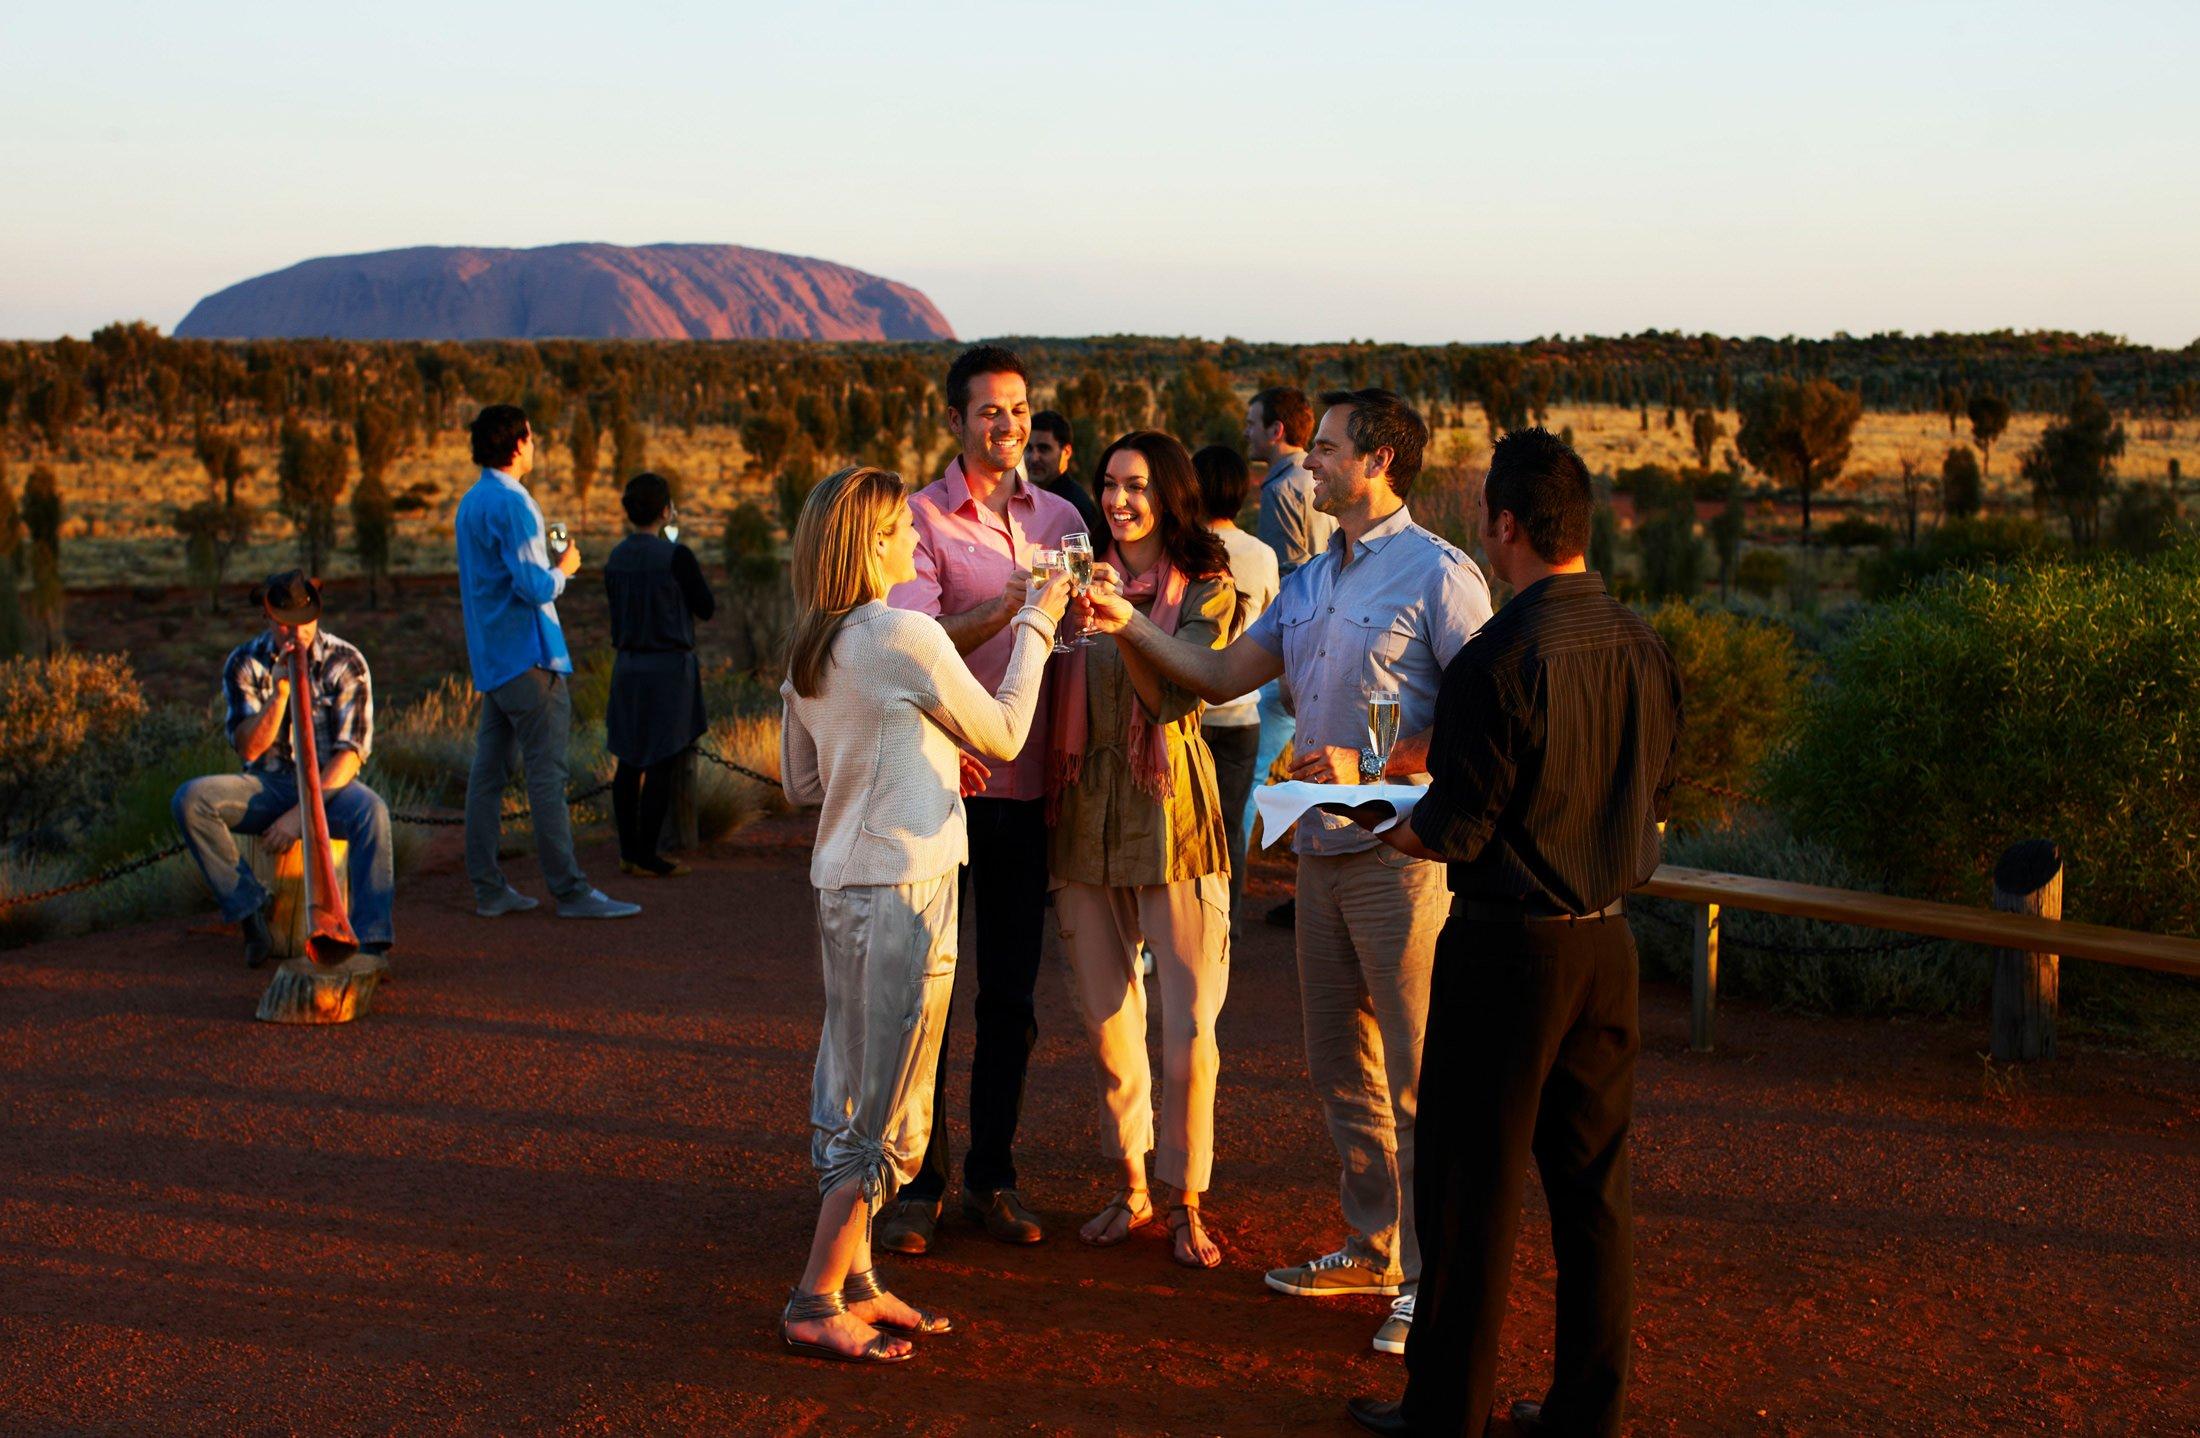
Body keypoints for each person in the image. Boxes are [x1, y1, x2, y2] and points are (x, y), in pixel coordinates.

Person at [1082, 389, 1491, 1357]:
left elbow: (1487, 712)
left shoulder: (1440, 575)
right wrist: (1120, 622)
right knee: (1338, 1067)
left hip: (1403, 861)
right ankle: (1372, 1246)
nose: (1309, 462)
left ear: (1380, 460)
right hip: (1318, 853)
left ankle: (1433, 1284)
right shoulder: (1307, 581)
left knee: (1417, 1078)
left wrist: (1379, 761)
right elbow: (1220, 677)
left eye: (1331, 448)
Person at [1340, 428, 1682, 1438]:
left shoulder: (1500, 657)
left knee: (1468, 1187)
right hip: (1609, 947)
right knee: (1593, 1193)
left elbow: (1455, 829)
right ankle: (1586, 1413)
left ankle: (1446, 1414)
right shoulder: (1645, 643)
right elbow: (1658, 792)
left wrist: (1354, 809)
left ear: (1503, 527)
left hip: (1505, 949)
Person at [777, 465, 1071, 1363]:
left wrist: (920, 758)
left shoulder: (815, 644)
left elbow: (803, 782)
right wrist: (1037, 624)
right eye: (898, 530)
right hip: (905, 887)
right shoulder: (902, 632)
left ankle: (858, 1277)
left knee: (855, 1084)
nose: (914, 539)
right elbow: (1010, 732)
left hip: (845, 888)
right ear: (869, 544)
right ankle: (816, 1297)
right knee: (891, 1108)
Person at [877, 345, 1085, 1254]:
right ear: (956, 422)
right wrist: (1012, 606)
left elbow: (1083, 636)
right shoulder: (919, 518)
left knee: (1010, 997)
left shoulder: (1066, 516)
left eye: (1020, 409)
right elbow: (913, 639)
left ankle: (991, 1180)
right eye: (990, 412)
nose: (1009, 426)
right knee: (929, 993)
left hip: (1028, 787)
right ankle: (916, 1184)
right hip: (943, 785)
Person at [1050, 431, 1235, 1270]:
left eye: (1137, 486)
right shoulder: (1073, 583)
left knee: (1189, 1021)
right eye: (1110, 485)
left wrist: (1121, 622)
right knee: (1105, 1014)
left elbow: (1175, 694)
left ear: (1170, 495)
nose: (1120, 501)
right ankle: (1130, 1181)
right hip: (1085, 806)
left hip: (1172, 808)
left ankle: (1186, 1198)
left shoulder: (1210, 587)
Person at [455, 404, 637, 921]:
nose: (535, 446)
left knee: (487, 777)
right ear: (515, 444)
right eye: (530, 438)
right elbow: (533, 586)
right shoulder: (514, 504)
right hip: (531, 661)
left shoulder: (471, 502)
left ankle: (489, 889)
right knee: (545, 777)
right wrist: (565, 570)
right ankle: (571, 891)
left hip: (494, 661)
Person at [172, 571, 394, 968]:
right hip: (267, 784)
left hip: (330, 789)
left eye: (305, 620)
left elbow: (351, 755)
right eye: (286, 622)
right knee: (192, 800)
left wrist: (300, 817)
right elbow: (250, 748)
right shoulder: (244, 663)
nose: (297, 631)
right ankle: (249, 910)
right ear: (268, 618)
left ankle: (371, 942)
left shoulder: (347, 662)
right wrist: (279, 697)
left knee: (371, 812)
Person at [1243, 385, 1334, 928]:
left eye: (1254, 422)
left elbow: (1288, 579)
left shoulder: (1282, 489)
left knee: (1258, 767)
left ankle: (1227, 879)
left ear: (1277, 430)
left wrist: (1283, 661)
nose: (1248, 430)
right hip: (1328, 642)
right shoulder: (1315, 482)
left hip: (1298, 646)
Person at [603, 471, 714, 878]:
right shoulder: (676, 556)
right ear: (666, 510)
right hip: (668, 669)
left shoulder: (616, 557)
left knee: (629, 759)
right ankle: (648, 854)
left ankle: (628, 850)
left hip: (628, 666)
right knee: (664, 757)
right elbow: (705, 606)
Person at [1191, 443, 1278, 924]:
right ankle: (1227, 920)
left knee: (1184, 825)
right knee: (1228, 825)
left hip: (1189, 710)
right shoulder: (1262, 554)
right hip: (1244, 711)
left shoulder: (1183, 548)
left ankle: (1182, 929)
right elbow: (1271, 624)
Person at [1028, 408, 1103, 535]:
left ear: (1066, 452)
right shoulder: (1026, 499)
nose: (1034, 458)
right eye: (1029, 449)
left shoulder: (1075, 507)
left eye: (1044, 449)